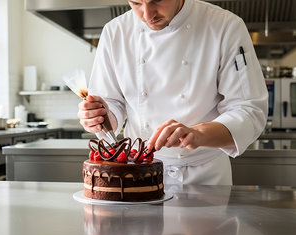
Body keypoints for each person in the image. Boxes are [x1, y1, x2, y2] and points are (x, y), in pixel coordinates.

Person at [77, 0, 268, 185]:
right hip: (137, 176)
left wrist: (198, 133)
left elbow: (249, 111)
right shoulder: (115, 32)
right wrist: (99, 115)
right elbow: (112, 104)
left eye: (157, 1)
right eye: (136, 3)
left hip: (205, 178)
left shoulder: (225, 26)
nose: (147, 14)